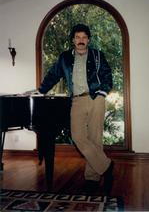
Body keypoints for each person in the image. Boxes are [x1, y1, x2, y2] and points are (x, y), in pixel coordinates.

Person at [38, 23, 114, 194]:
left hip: (95, 98)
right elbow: (53, 75)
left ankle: (92, 179)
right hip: (77, 101)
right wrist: (41, 90)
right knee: (78, 136)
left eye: (84, 37)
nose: (81, 40)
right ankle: (107, 167)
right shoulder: (65, 57)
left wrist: (102, 92)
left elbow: (107, 74)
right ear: (73, 40)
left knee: (95, 138)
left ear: (88, 40)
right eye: (78, 37)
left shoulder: (97, 55)